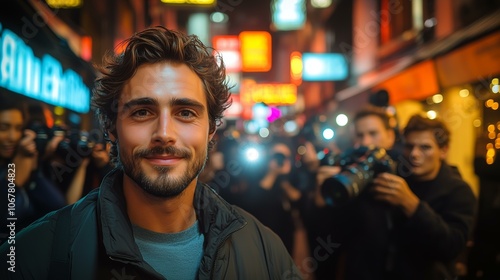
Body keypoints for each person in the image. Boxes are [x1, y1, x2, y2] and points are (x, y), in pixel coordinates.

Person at [0, 27, 301, 280]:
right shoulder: (36, 255)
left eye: (185, 112)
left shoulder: (265, 251)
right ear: (111, 127)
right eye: (142, 112)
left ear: (211, 129)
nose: (165, 133)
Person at [318, 111, 476, 280]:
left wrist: (411, 205)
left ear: (443, 150)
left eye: (425, 147)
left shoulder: (458, 190)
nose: (415, 154)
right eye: (409, 146)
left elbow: (452, 246)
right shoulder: (391, 174)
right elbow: (344, 235)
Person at [0, 97, 66, 244]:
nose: (12, 137)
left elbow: (58, 206)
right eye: (3, 128)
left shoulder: (19, 162)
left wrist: (35, 165)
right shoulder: (15, 167)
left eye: (18, 128)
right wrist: (15, 177)